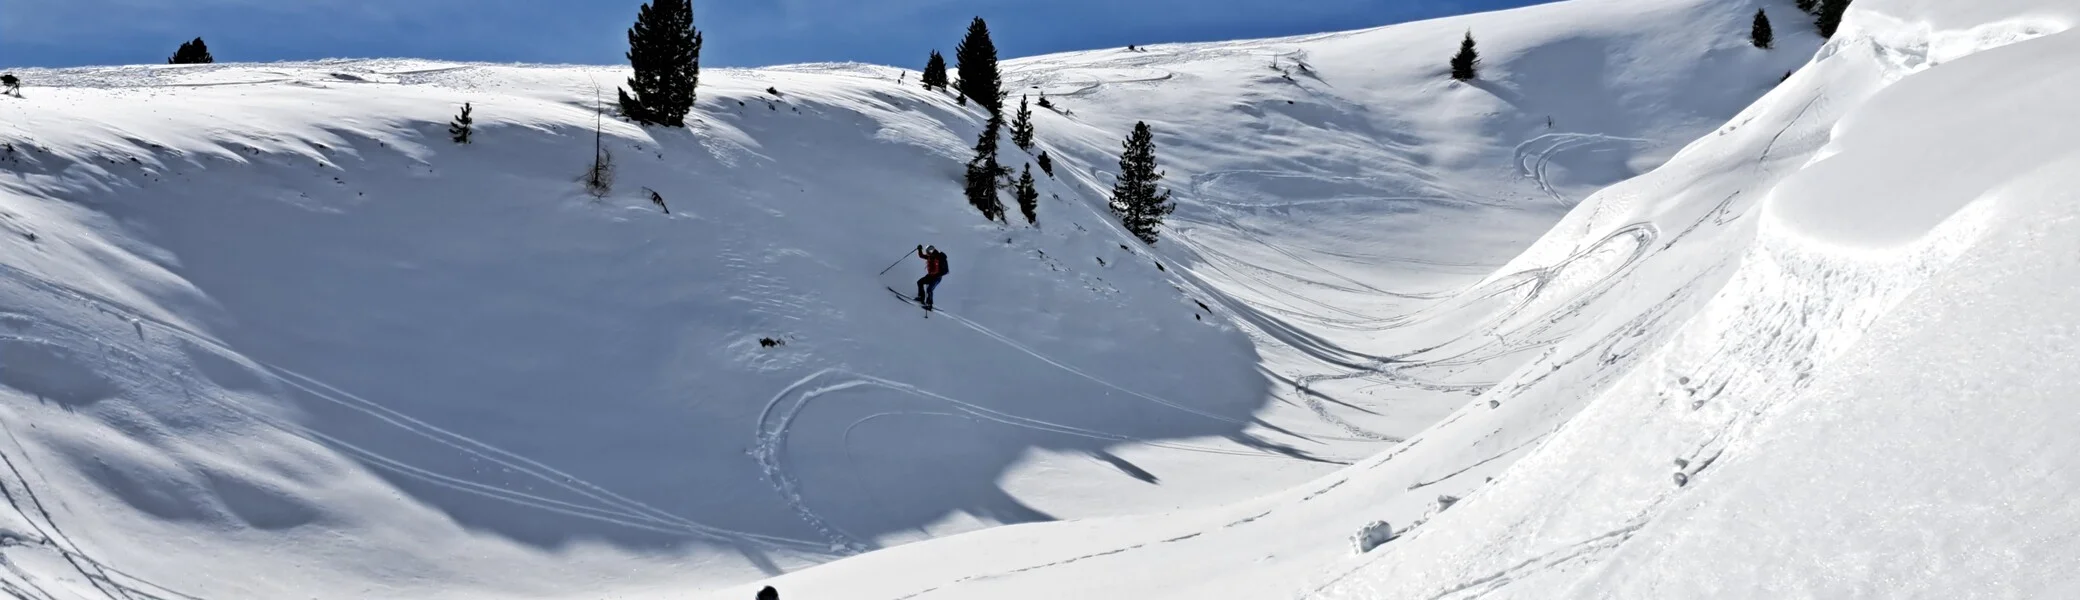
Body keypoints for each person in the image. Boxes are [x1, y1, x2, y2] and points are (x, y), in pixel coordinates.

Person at [915, 244, 948, 309]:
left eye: (928, 252)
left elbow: (938, 269)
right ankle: (921, 297)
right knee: (920, 282)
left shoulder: (937, 258)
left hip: (937, 277)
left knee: (929, 289)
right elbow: (922, 256)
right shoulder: (931, 256)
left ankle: (929, 305)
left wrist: (933, 274)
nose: (927, 253)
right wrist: (919, 250)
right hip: (931, 275)